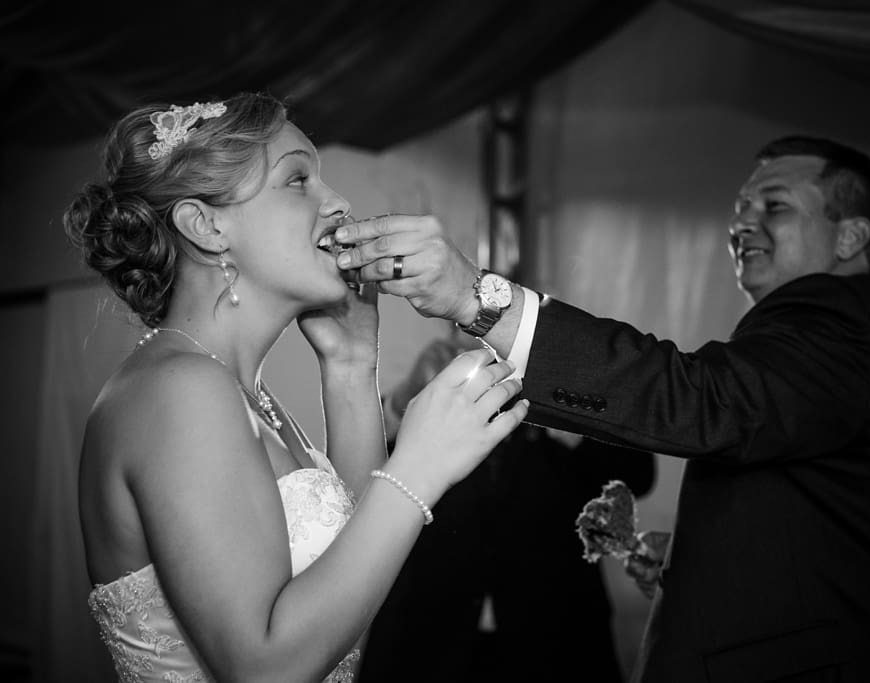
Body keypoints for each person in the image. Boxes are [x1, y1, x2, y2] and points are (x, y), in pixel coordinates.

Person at [328, 136, 870, 681]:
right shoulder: (830, 341)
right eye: (740, 206)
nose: (742, 222)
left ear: (850, 237)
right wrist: (706, 558)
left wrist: (479, 299)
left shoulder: (839, 324)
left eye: (774, 206)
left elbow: (699, 399)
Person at [64, 92, 528, 683]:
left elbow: (346, 607)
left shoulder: (242, 394)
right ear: (206, 226)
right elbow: (265, 670)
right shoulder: (181, 389)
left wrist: (351, 369)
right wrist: (419, 465)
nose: (337, 204)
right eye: (298, 179)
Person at [358, 336, 656, 683]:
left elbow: (638, 476)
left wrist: (576, 417)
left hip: (555, 637)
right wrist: (407, 396)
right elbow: (366, 474)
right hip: (426, 633)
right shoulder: (444, 390)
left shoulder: (565, 385)